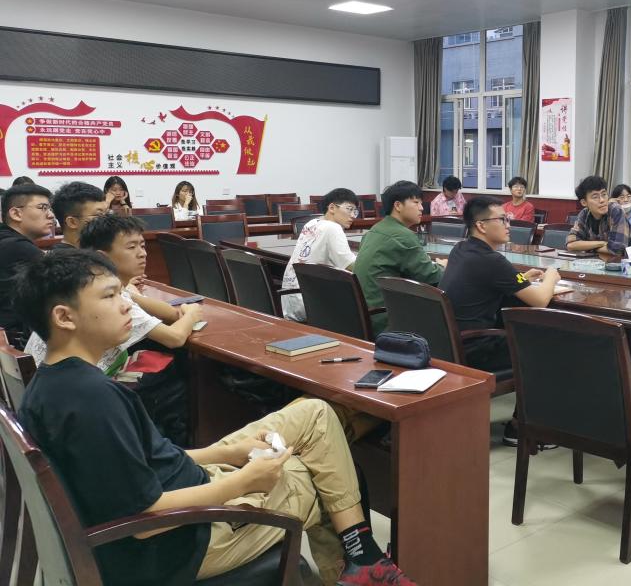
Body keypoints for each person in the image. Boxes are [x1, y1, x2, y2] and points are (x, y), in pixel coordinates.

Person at [14, 249, 417, 586]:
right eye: (109, 296)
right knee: (316, 473)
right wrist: (244, 482)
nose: (127, 304)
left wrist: (225, 453)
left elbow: (138, 461)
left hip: (181, 490)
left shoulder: (56, 384)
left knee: (315, 413)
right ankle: (363, 561)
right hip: (183, 543)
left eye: (123, 292)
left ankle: (362, 563)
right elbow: (146, 520)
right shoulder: (92, 400)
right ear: (64, 317)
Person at [25, 214, 204, 444]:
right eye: (131, 246)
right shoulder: (94, 396)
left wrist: (130, 292)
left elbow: (163, 310)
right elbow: (174, 337)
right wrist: (192, 313)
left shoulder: (91, 288)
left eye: (143, 245)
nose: (143, 253)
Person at [440, 196, 561, 447]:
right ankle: (521, 429)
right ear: (481, 225)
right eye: (503, 220)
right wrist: (551, 276)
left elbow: (500, 280)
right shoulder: (492, 260)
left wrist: (522, 279)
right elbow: (540, 299)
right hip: (476, 349)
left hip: (450, 344)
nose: (509, 225)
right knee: (547, 345)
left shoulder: (461, 249)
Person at [353, 181, 446, 336]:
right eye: (416, 202)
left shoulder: (375, 229)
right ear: (398, 205)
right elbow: (432, 277)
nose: (421, 208)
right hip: (386, 319)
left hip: (365, 316)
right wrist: (443, 266)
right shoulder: (403, 235)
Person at [280, 188, 359, 322]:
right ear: (332, 208)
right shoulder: (333, 228)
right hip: (311, 303)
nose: (353, 215)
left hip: (291, 299)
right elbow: (352, 266)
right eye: (349, 209)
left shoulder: (311, 223)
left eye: (355, 211)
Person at [0, 183, 53, 348]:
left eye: (50, 208)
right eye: (42, 208)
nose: (51, 215)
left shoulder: (7, 240)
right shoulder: (18, 248)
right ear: (16, 213)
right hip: (15, 343)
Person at [566, 175, 631, 258]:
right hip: (592, 262)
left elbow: (617, 250)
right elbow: (570, 244)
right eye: (595, 197)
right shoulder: (584, 214)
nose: (602, 200)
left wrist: (586, 247)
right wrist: (602, 243)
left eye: (604, 194)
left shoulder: (616, 211)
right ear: (584, 202)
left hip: (619, 263)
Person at [51, 181, 109, 249]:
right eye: (99, 215)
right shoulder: (62, 255)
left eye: (108, 213)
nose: (108, 220)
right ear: (72, 222)